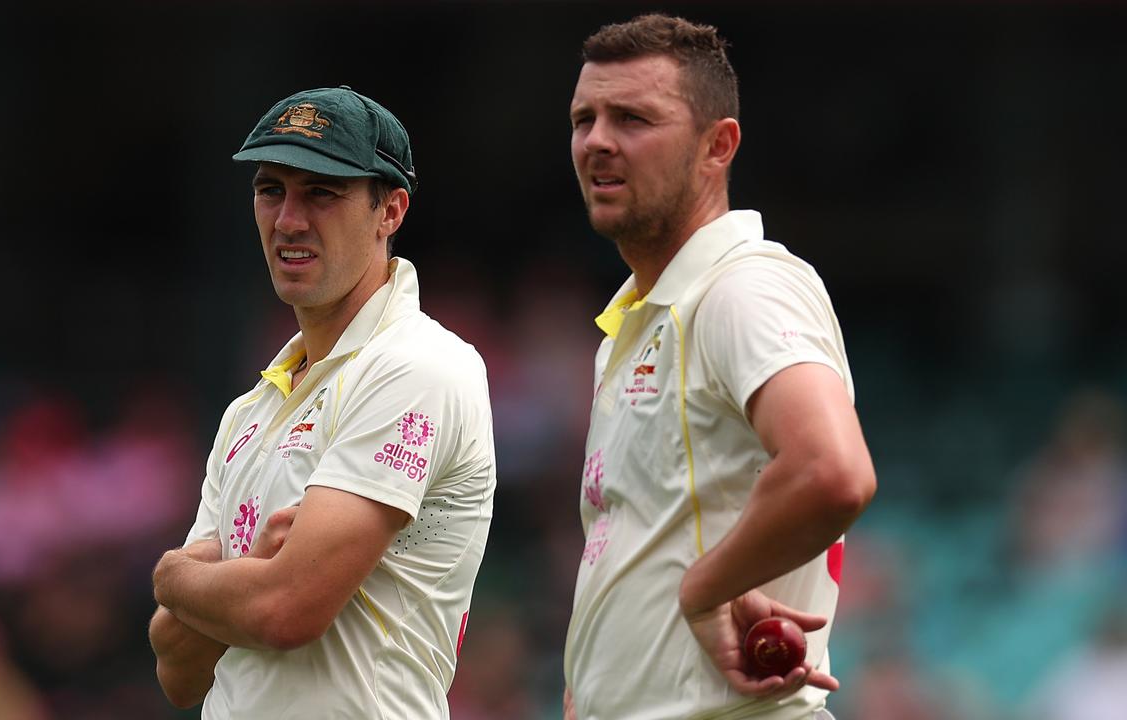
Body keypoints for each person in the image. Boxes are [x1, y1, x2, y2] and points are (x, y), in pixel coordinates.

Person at [562, 15, 876, 720]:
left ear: (718, 145)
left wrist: (705, 589)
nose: (598, 141)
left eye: (633, 118)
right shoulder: (633, 322)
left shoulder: (742, 288)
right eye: (585, 118)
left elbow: (832, 471)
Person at [148, 86, 496, 719]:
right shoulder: (247, 412)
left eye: (323, 192)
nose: (288, 220)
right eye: (270, 189)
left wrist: (175, 577)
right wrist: (249, 575)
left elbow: (285, 612)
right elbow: (178, 668)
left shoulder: (419, 366)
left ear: (390, 211)